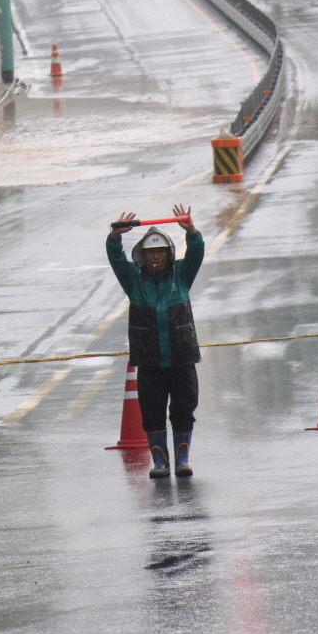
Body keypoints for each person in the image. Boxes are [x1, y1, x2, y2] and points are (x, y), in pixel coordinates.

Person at [106, 205, 204, 479]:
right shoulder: (133, 280)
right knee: (152, 412)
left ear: (169, 254)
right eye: (150, 252)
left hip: (182, 357)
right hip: (149, 360)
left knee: (184, 409)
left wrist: (192, 232)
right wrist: (115, 236)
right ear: (143, 256)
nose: (156, 257)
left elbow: (196, 253)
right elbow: (116, 259)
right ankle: (160, 463)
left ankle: (182, 460)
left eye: (160, 251)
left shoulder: (182, 275)